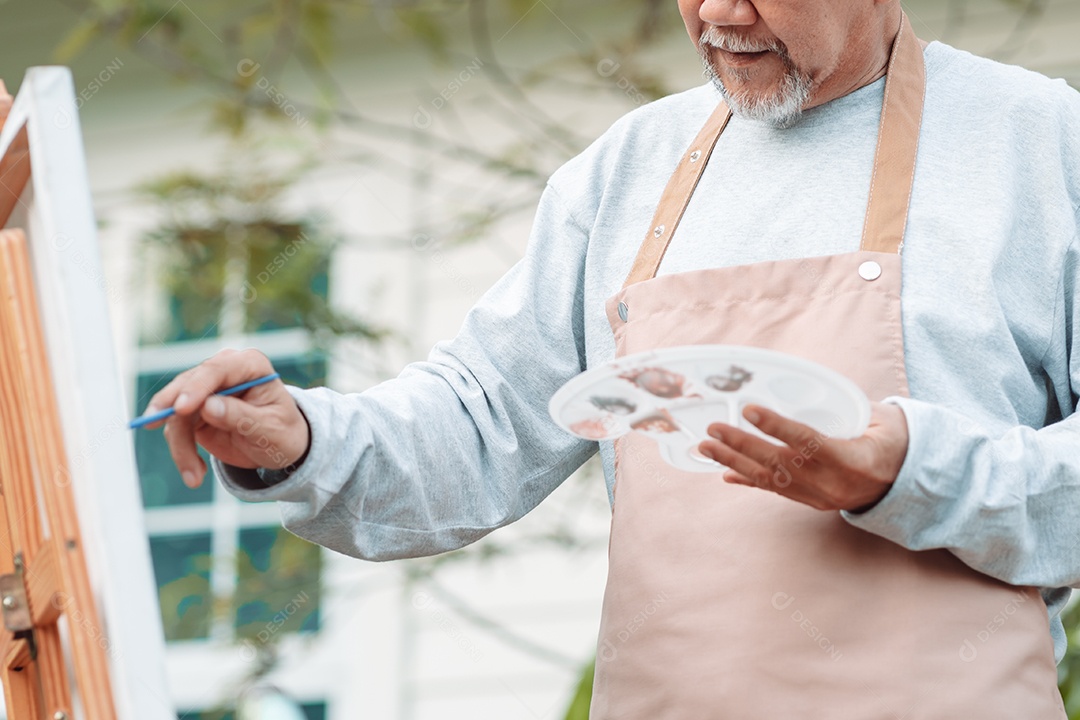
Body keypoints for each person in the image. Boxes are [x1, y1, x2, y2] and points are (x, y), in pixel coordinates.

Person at [148, 0, 1080, 715]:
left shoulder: (1039, 143)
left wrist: (908, 472)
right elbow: (479, 426)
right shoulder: (626, 171)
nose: (720, 13)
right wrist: (304, 439)